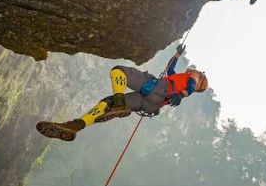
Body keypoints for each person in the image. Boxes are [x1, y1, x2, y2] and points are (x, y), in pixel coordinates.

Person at [35, 45, 207, 141]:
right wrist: (176, 55)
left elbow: (191, 85)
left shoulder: (194, 77)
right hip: (151, 104)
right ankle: (75, 126)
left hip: (157, 88)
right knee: (107, 103)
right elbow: (170, 68)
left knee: (119, 71)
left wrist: (183, 94)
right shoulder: (179, 79)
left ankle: (117, 104)